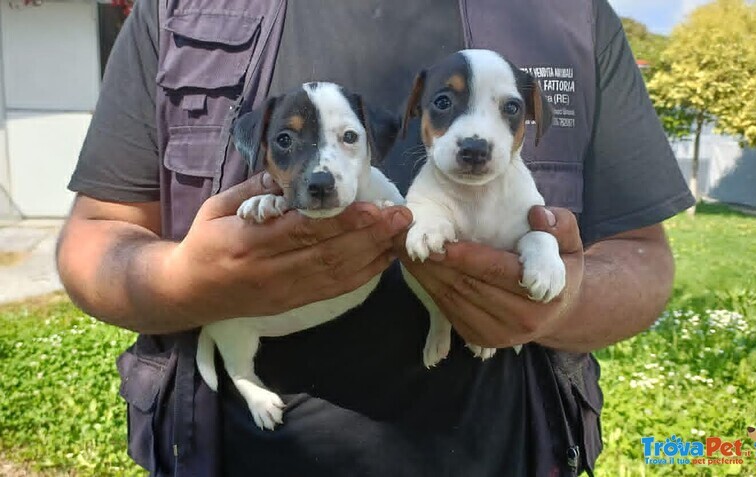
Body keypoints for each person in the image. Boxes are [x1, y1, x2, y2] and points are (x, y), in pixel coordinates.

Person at [57, 0, 694, 475]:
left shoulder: (565, 16)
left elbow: (641, 258)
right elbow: (96, 236)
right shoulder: (179, 10)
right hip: (227, 452)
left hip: (505, 453)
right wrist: (183, 285)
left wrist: (561, 301)